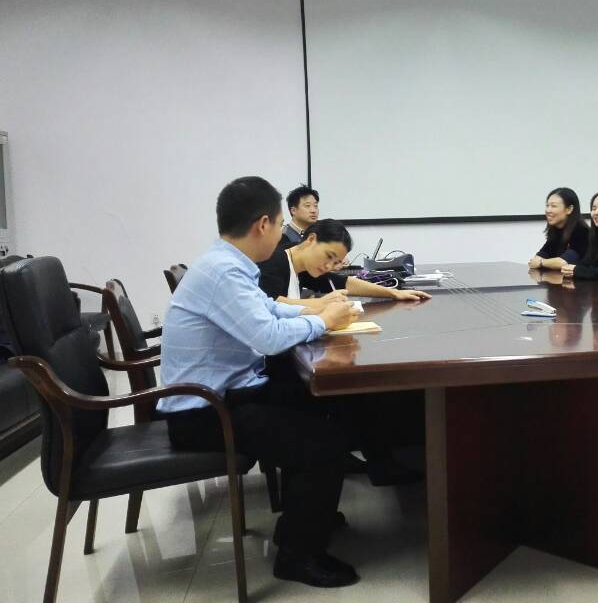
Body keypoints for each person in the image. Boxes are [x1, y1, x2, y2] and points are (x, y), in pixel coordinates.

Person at [158, 176, 361, 588]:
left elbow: (268, 309)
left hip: (227, 394)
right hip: (204, 411)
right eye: (281, 224)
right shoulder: (223, 272)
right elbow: (267, 337)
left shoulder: (227, 263)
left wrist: (317, 311)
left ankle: (303, 520)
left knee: (325, 406)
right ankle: (297, 557)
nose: (285, 234)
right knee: (322, 443)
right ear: (263, 224)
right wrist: (323, 320)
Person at [259, 218, 432, 303]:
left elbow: (343, 282)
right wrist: (321, 303)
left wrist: (393, 293)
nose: (329, 266)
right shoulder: (274, 260)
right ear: (311, 239)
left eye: (336, 263)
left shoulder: (303, 266)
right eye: (329, 256)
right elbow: (271, 304)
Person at [529, 187, 589, 270]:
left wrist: (541, 262)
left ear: (569, 209)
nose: (548, 210)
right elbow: (537, 258)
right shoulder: (556, 230)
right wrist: (542, 261)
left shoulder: (582, 231)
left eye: (553, 206)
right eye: (547, 206)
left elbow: (563, 263)